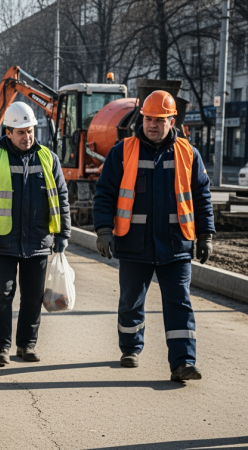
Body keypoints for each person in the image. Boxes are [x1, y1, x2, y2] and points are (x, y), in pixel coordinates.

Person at [92, 90, 214, 382]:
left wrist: (206, 234)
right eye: (148, 119)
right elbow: (105, 193)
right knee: (131, 300)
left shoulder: (188, 154)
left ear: (173, 121)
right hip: (135, 244)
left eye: (159, 120)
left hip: (176, 244)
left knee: (179, 302)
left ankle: (183, 361)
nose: (152, 125)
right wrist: (104, 230)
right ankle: (131, 348)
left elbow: (202, 196)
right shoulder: (123, 151)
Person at [0, 102, 71, 367]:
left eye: (30, 131)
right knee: (1, 294)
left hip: (38, 241)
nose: (27, 137)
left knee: (33, 296)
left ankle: (27, 345)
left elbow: (61, 197)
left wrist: (63, 233)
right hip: (2, 241)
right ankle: (1, 347)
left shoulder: (48, 158)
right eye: (21, 132)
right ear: (8, 132)